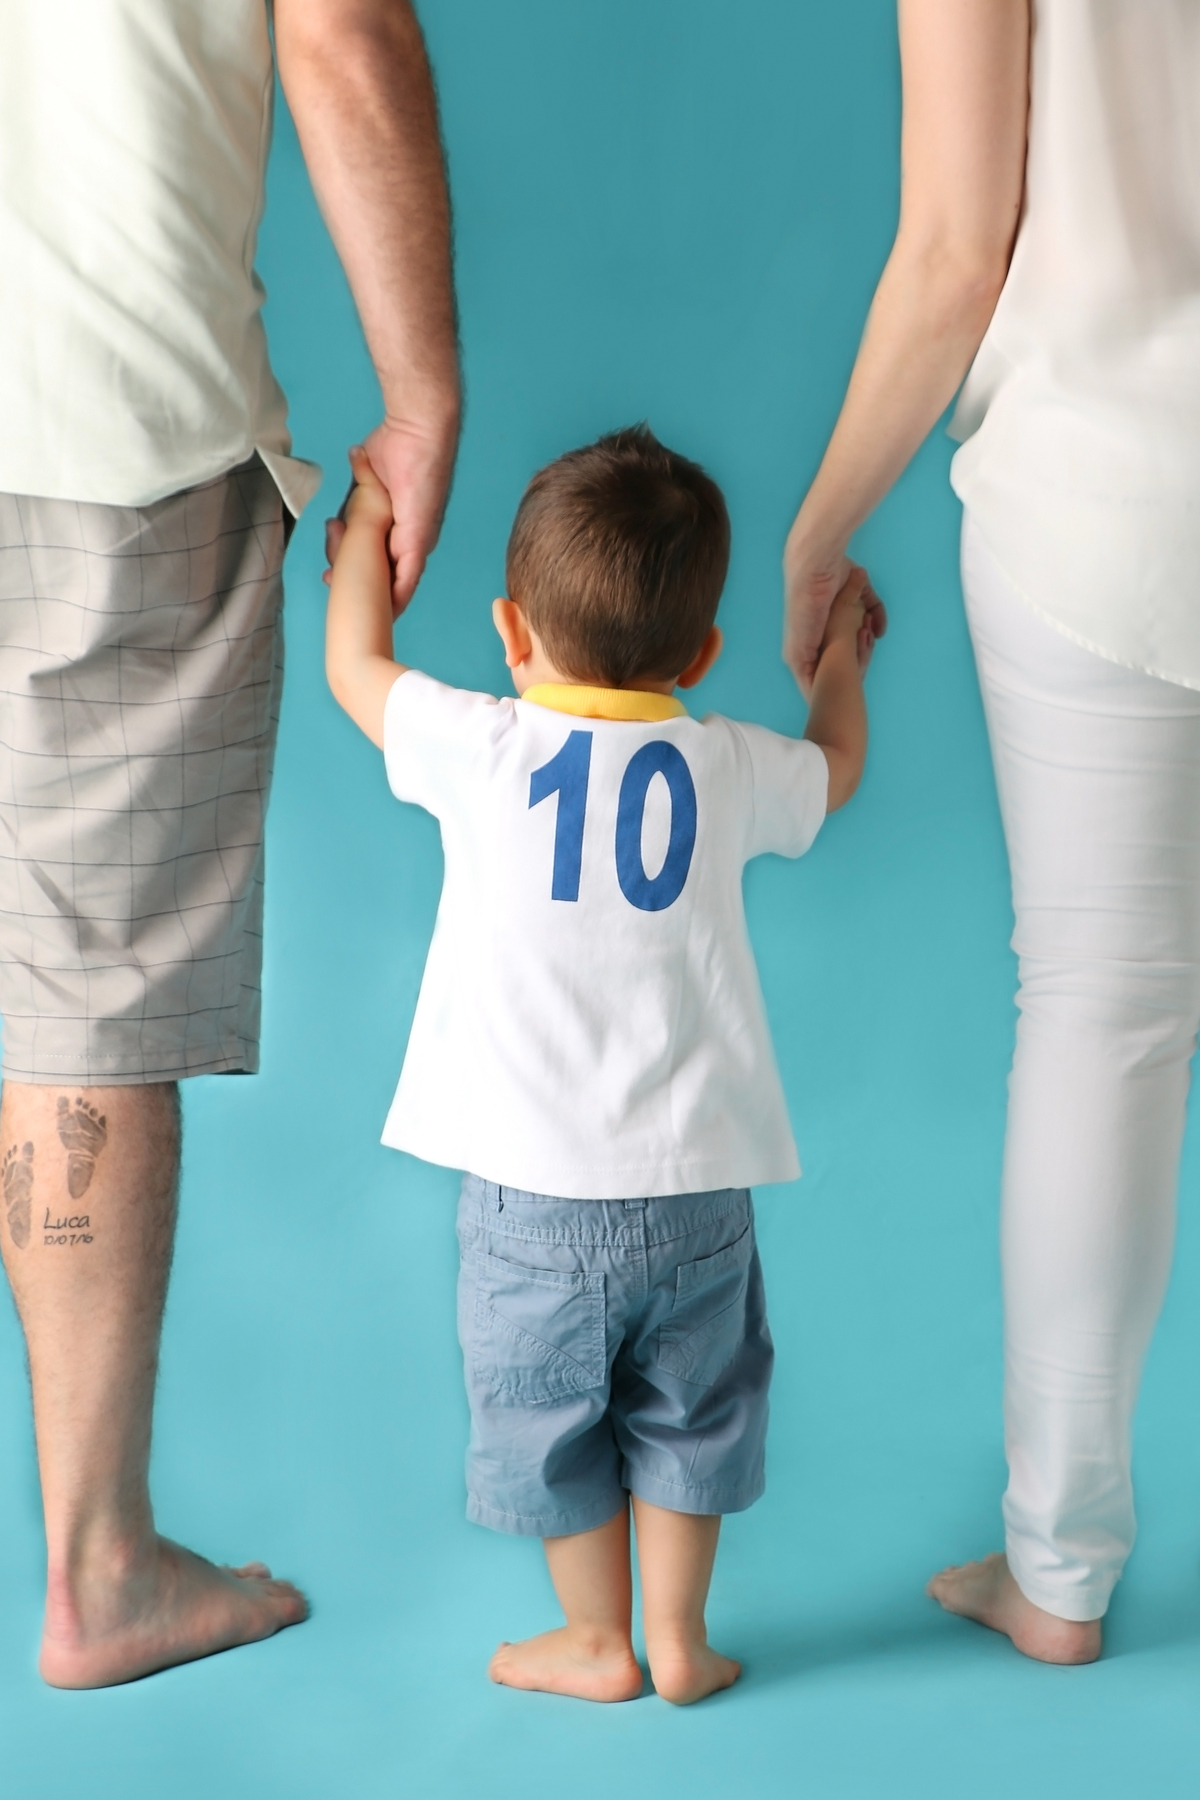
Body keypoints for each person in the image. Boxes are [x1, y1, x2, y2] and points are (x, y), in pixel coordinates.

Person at [0, 0, 459, 1688]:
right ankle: (97, 1570)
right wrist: (421, 390)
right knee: (88, 988)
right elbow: (340, 33)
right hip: (95, 418)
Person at [325, 427, 874, 1703]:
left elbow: (357, 663)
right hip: (696, 1192)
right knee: (694, 1410)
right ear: (703, 656)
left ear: (513, 632)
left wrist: (368, 520)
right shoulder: (726, 761)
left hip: (529, 1202)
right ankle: (679, 1638)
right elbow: (839, 771)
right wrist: (842, 653)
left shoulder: (480, 743)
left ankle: (594, 1641)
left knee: (546, 1416)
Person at [783, 0, 1200, 1664]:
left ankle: (1061, 1570)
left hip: (1104, 496)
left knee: (1105, 1013)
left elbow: (958, 248)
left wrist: (819, 531)